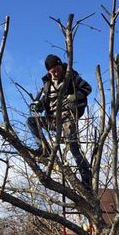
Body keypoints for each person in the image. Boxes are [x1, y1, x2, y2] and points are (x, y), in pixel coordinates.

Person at [27, 54, 92, 187]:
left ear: (61, 67)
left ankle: (87, 180)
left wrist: (75, 96)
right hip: (53, 120)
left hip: (68, 117)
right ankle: (44, 149)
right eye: (52, 72)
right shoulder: (47, 84)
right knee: (31, 121)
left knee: (73, 147)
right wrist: (38, 105)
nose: (56, 73)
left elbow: (87, 88)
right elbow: (43, 101)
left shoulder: (72, 77)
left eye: (57, 69)